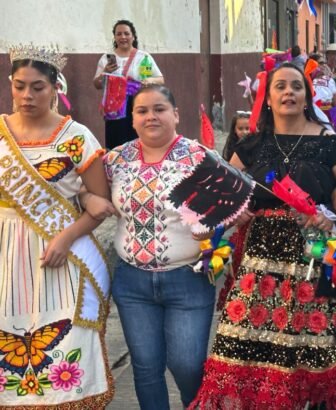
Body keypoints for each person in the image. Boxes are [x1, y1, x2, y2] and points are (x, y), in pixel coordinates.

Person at [192, 63, 336, 409]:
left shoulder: (329, 143)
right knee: (248, 346)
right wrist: (237, 209)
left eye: (296, 86)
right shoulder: (251, 145)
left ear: (307, 97)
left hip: (315, 259)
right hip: (258, 264)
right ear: (269, 98)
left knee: (315, 350)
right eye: (281, 87)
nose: (289, 93)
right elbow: (226, 192)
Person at [95, 85, 223, 409]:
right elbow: (86, 191)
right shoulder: (114, 160)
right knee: (146, 367)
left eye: (160, 108)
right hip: (131, 282)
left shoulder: (201, 158)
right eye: (142, 111)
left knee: (188, 366)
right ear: (133, 120)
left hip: (188, 280)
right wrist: (88, 199)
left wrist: (212, 228)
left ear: (176, 115)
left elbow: (232, 207)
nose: (151, 116)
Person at [0, 45, 113, 407]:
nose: (26, 96)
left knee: (65, 338)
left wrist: (65, 238)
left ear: (55, 88)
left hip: (60, 252)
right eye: (19, 86)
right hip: (6, 252)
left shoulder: (76, 137)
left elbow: (99, 203)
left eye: (37, 87)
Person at [93, 19, 164, 149]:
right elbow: (97, 84)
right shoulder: (106, 58)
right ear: (114, 37)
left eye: (126, 33)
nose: (123, 37)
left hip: (138, 106)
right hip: (115, 109)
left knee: (138, 142)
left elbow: (160, 79)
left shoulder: (143, 57)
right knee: (116, 145)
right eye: (119, 34)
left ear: (133, 36)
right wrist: (105, 72)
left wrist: (148, 81)